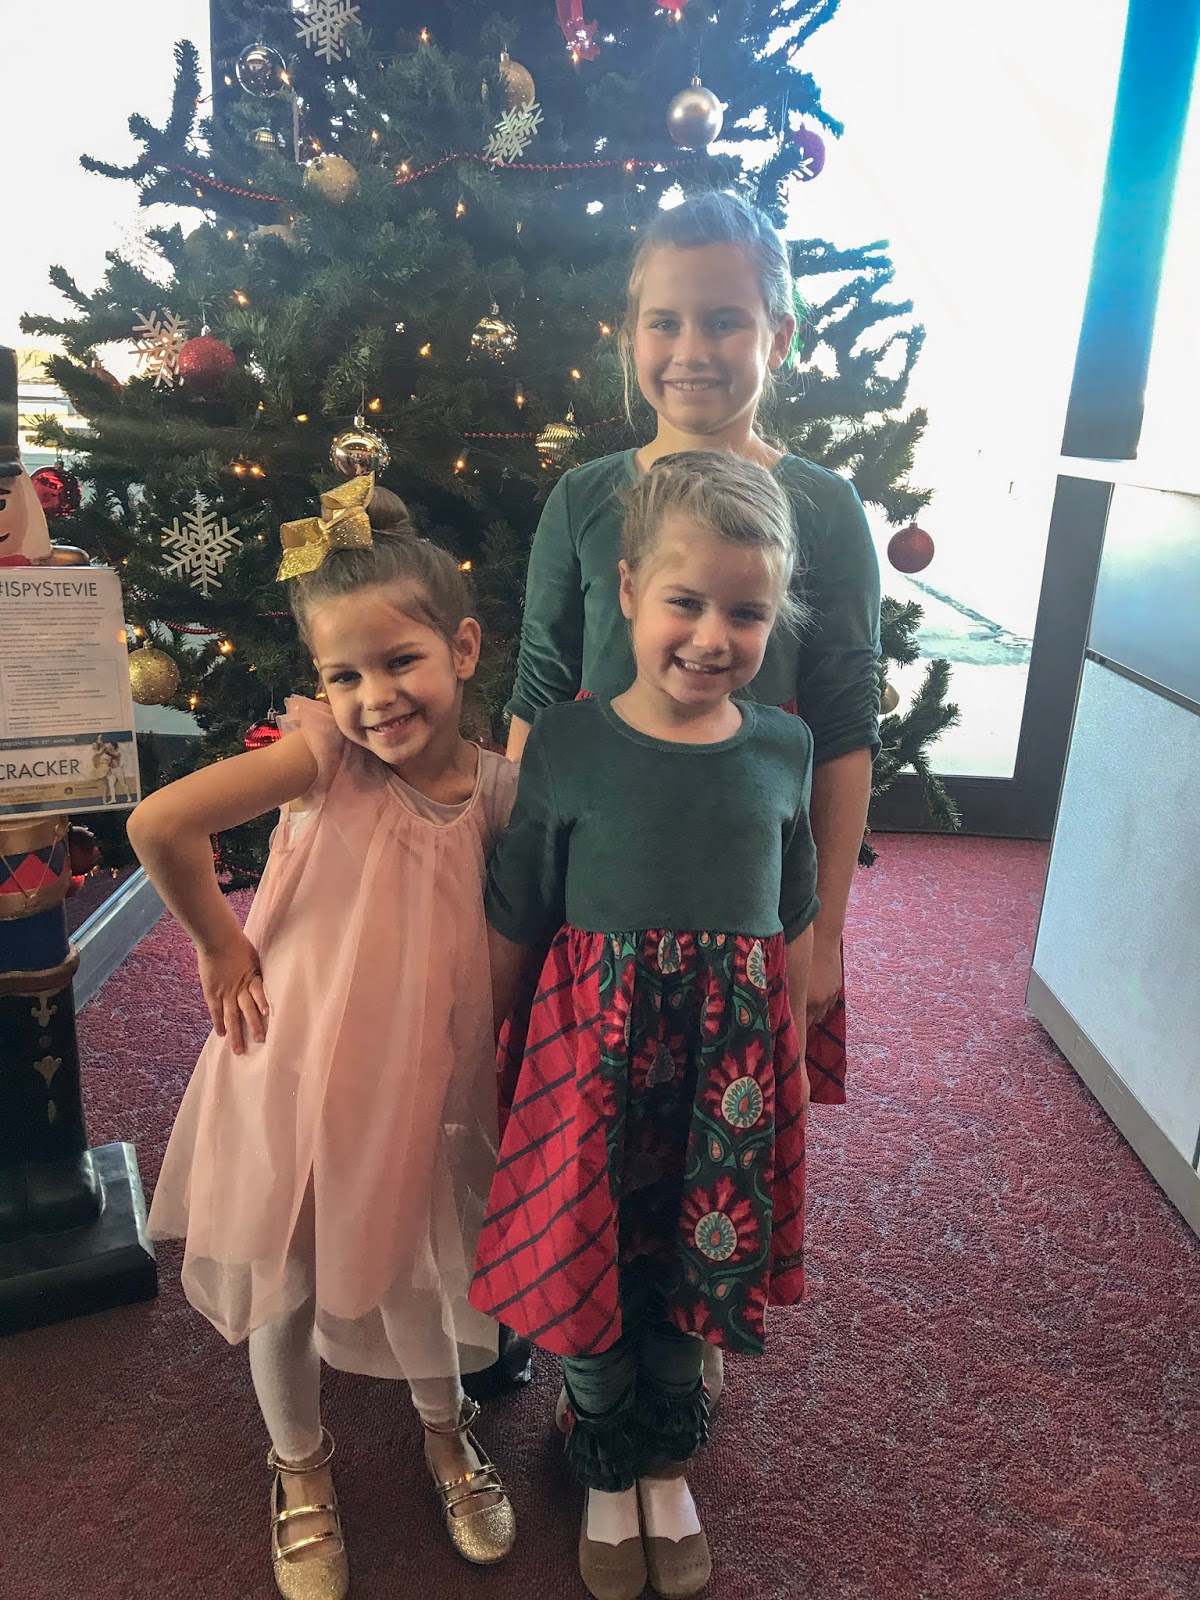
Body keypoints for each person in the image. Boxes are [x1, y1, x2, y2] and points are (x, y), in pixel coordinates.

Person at [504, 188, 881, 1409]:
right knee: (592, 1134)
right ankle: (586, 1333)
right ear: (628, 333)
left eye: (724, 320)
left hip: (744, 907)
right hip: (597, 900)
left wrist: (821, 932)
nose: (691, 350)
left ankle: (688, 1326)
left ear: (778, 335)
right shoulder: (585, 498)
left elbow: (842, 726)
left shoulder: (823, 506)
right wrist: (513, 895)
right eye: (663, 321)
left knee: (713, 1128)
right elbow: (539, 692)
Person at [128, 477, 518, 1600]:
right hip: (292, 1069)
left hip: (416, 1077)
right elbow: (161, 822)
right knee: (287, 1272)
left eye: (400, 662)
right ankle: (298, 1464)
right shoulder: (322, 760)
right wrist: (218, 943)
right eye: (344, 675)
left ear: (463, 649)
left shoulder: (499, 790)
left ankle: (446, 1429)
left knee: (418, 1253)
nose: (374, 697)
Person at [471, 451, 819, 1600]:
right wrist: (482, 1052)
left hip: (726, 1078)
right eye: (686, 601)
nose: (712, 636)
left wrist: (787, 1060)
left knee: (695, 1259)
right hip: (590, 1070)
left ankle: (665, 1461)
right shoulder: (568, 745)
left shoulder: (783, 748)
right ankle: (604, 1463)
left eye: (746, 613)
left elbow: (793, 912)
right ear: (626, 591)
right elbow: (519, 907)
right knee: (589, 1257)